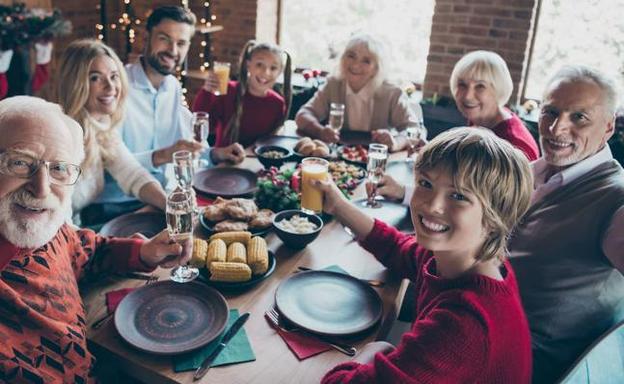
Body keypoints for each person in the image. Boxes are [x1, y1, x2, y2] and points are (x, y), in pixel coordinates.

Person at [315, 128, 534, 383]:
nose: (432, 205)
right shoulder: (465, 259)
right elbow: (399, 248)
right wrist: (338, 205)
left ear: (496, 217)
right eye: (426, 184)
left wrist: (372, 352)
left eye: (458, 196)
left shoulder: (463, 327)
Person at [0, 96, 190, 383]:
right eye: (20, 162)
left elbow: (87, 252)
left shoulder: (48, 229)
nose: (41, 188)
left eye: (59, 169)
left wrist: (145, 252)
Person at [507, 65, 624, 383]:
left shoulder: (617, 201)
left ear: (608, 127)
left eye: (579, 118)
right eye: (551, 112)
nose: (557, 128)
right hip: (479, 327)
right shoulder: (533, 170)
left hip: (525, 367)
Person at [97, 6, 245, 216]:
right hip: (117, 207)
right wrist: (162, 156)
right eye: (164, 39)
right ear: (146, 37)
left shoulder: (172, 87)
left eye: (181, 43)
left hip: (161, 200)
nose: (173, 51)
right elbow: (103, 166)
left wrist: (215, 154)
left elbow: (183, 147)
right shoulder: (115, 87)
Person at [374, 50, 540, 204]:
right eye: (462, 84)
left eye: (480, 86)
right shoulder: (481, 119)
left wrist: (403, 192)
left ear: (499, 89)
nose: (467, 96)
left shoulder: (515, 145)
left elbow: (485, 207)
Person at [57, 39, 167, 226]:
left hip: (80, 231)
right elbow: (57, 223)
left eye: (114, 76)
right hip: (65, 239)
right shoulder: (60, 140)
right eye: (95, 78)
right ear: (75, 84)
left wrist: (170, 205)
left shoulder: (101, 126)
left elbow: (132, 173)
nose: (110, 87)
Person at [295, 34, 425, 152]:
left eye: (366, 61)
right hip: (340, 157)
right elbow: (303, 115)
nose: (356, 65)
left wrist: (395, 142)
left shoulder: (391, 93)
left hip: (376, 160)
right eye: (351, 56)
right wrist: (321, 131)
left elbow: (415, 130)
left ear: (376, 68)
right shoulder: (333, 85)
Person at [192, 40, 292, 148]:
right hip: (224, 161)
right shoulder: (228, 90)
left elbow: (271, 142)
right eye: (259, 65)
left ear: (280, 71)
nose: (266, 72)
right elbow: (202, 124)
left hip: (256, 162)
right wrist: (207, 92)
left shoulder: (278, 103)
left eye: (273, 68)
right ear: (248, 65)